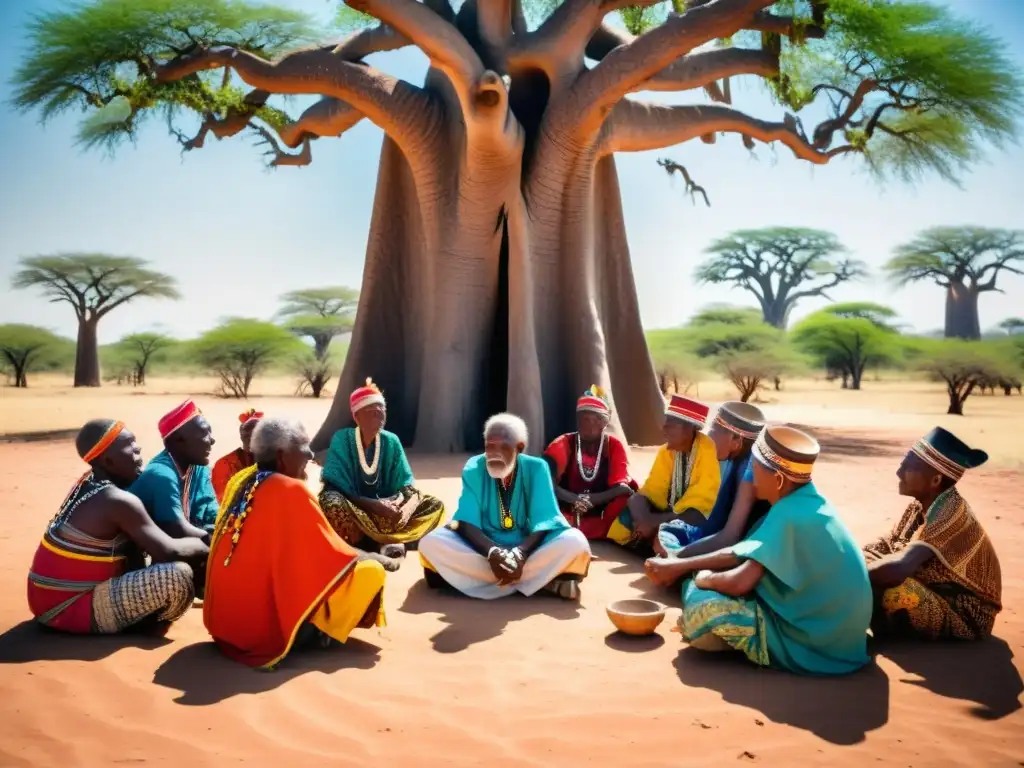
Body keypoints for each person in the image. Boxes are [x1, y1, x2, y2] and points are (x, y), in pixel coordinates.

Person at [645, 425, 872, 676]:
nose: (751, 475)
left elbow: (740, 581)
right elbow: (738, 554)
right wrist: (681, 565)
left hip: (817, 645)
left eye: (756, 469)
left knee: (700, 600)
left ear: (778, 479)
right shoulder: (809, 503)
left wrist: (702, 577)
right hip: (843, 639)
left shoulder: (789, 515)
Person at [204, 417, 387, 669]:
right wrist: (373, 557)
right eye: (304, 449)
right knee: (371, 572)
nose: (311, 456)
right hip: (259, 634)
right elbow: (333, 553)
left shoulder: (242, 480)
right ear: (281, 456)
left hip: (223, 626)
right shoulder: (291, 489)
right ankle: (317, 635)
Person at [27, 419, 209, 635]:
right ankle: (145, 627)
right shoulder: (116, 500)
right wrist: (210, 546)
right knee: (176, 576)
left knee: (148, 551)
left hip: (44, 599)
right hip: (67, 608)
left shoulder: (88, 482)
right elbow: (168, 550)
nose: (138, 448)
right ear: (108, 460)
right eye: (129, 445)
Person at [418, 413, 592, 600]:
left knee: (575, 543)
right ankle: (542, 582)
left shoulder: (537, 468)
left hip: (528, 548)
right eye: (490, 447)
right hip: (483, 548)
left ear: (520, 448)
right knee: (430, 543)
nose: (495, 454)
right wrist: (493, 553)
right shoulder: (475, 466)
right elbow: (466, 521)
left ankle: (478, 580)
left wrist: (520, 554)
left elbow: (545, 520)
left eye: (503, 447)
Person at [863, 427, 1001, 641]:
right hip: (934, 592)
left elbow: (901, 567)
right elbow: (886, 546)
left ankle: (866, 632)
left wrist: (848, 576)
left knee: (894, 589)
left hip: (966, 614)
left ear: (935, 480)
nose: (899, 472)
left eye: (910, 466)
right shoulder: (920, 506)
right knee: (864, 561)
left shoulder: (950, 513)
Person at [319, 379, 445, 566]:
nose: (378, 414)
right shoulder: (342, 438)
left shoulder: (391, 440)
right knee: (331, 502)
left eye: (381, 410)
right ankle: (374, 542)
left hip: (388, 511)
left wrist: (398, 504)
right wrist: (373, 505)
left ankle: (387, 540)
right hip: (356, 509)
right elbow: (334, 484)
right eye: (371, 411)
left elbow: (405, 481)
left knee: (434, 505)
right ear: (356, 417)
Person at [607, 394, 719, 552]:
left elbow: (699, 508)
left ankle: (652, 539)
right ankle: (648, 534)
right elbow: (649, 491)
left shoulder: (707, 450)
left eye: (671, 424)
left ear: (690, 428)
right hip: (665, 513)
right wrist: (645, 520)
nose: (664, 429)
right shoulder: (665, 451)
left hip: (689, 517)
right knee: (628, 513)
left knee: (681, 528)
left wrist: (653, 522)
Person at [656, 401, 769, 557]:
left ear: (736, 441)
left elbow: (730, 536)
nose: (708, 436)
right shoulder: (730, 460)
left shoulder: (750, 469)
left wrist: (677, 556)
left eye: (713, 430)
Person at [542, 385, 637, 540]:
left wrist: (589, 500)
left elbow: (621, 488)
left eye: (594, 419)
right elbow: (546, 482)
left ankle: (596, 530)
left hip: (599, 512)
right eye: (583, 418)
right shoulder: (562, 443)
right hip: (566, 508)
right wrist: (574, 499)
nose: (587, 424)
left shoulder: (614, 446)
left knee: (628, 498)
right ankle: (570, 529)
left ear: (604, 423)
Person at [129, 399, 218, 537]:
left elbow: (212, 513)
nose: (212, 440)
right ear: (179, 440)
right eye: (204, 433)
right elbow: (177, 529)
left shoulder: (198, 469)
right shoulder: (161, 474)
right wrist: (215, 540)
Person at [211, 408, 262, 501]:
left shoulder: (274, 462)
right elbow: (221, 499)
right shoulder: (224, 464)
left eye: (257, 435)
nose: (251, 438)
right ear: (241, 436)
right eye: (247, 434)